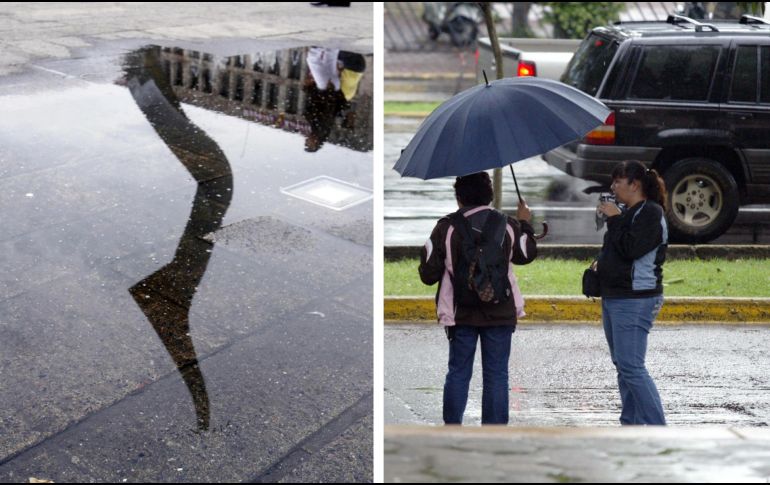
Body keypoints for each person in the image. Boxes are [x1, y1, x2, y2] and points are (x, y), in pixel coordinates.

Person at [419, 172, 537, 425]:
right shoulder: (507, 225)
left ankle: (452, 429)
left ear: (459, 197)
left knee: (458, 372)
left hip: (461, 311)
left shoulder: (446, 227)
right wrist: (525, 222)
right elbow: (526, 254)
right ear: (490, 196)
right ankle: (493, 435)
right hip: (500, 310)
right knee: (496, 375)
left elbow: (427, 274)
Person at [596, 160, 668, 425]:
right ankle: (632, 425)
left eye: (618, 181)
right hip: (615, 296)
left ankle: (656, 427)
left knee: (631, 367)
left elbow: (631, 249)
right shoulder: (629, 212)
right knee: (623, 366)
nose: (613, 187)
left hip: (636, 298)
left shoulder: (650, 212)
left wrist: (615, 219)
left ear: (634, 184)